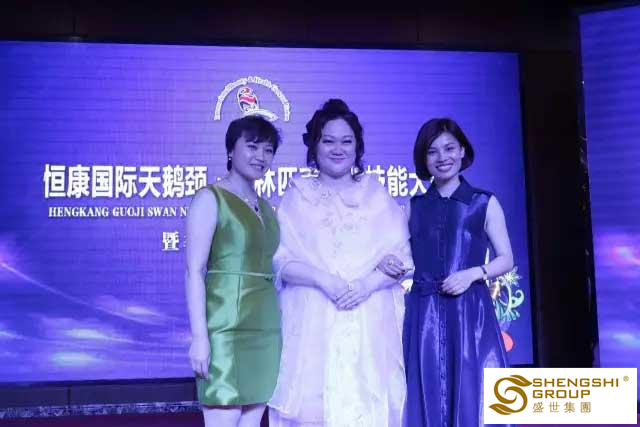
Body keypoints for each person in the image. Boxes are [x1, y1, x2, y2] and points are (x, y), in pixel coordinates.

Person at [268, 99, 412, 427]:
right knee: (312, 409)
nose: (338, 149)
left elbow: (402, 258)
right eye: (328, 140)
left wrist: (365, 285)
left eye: (347, 141)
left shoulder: (376, 194)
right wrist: (325, 281)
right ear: (314, 145)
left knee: (367, 404)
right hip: (313, 320)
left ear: (358, 147)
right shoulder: (297, 195)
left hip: (369, 321)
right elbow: (281, 261)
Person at [402, 118, 514, 427]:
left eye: (449, 148)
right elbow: (400, 257)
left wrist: (472, 274)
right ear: (424, 158)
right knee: (424, 392)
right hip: (424, 312)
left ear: (463, 151)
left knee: (472, 393)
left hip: (470, 311)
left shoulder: (484, 202)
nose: (443, 158)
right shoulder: (413, 206)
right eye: (432, 151)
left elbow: (506, 259)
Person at [185, 115, 282, 427]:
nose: (260, 157)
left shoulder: (267, 209)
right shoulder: (210, 198)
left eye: (268, 150)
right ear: (231, 150)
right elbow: (193, 271)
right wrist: (200, 337)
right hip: (225, 328)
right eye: (252, 146)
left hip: (265, 328)